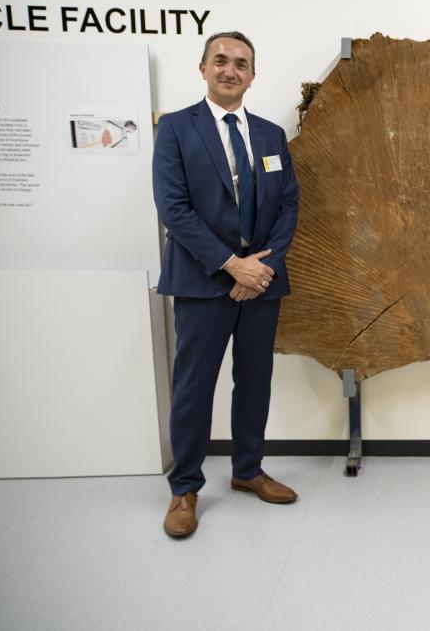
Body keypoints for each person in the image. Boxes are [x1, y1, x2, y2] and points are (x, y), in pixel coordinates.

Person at [153, 31, 300, 538]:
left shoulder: (270, 136)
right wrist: (230, 266)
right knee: (194, 388)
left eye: (241, 63)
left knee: (254, 382)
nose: (230, 70)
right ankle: (185, 488)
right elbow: (174, 208)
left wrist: (261, 268)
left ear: (253, 75)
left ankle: (247, 470)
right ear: (203, 68)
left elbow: (288, 206)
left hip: (262, 285)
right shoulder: (176, 129)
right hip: (201, 282)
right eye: (221, 60)